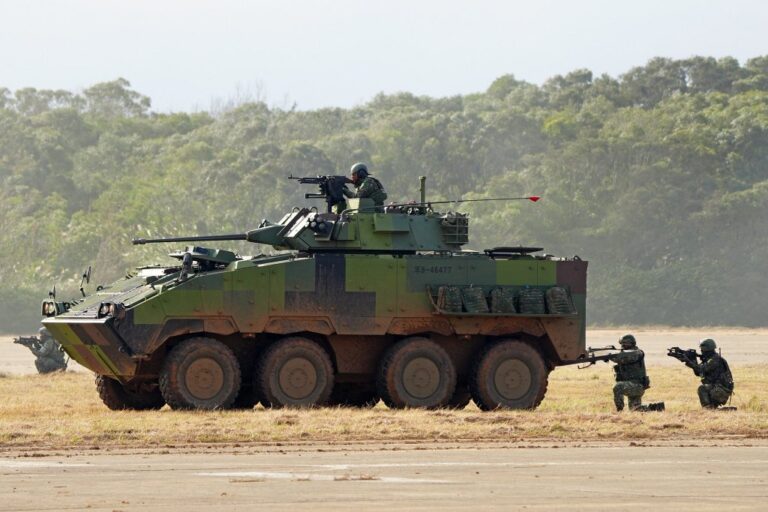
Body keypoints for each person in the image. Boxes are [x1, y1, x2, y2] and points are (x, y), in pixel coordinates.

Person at [687, 338, 734, 408]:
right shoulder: (709, 359)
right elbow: (698, 373)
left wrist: (689, 362)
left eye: (702, 350)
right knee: (704, 387)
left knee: (702, 388)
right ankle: (712, 407)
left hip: (722, 390)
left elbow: (701, 369)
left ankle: (708, 408)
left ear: (707, 350)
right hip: (717, 388)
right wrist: (693, 361)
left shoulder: (715, 360)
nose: (701, 352)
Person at [611, 334, 650, 411]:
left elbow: (623, 359)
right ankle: (657, 408)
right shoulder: (624, 354)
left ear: (632, 343)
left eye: (625, 343)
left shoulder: (637, 353)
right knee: (635, 410)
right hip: (631, 385)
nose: (623, 345)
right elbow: (621, 358)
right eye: (622, 343)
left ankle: (619, 410)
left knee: (618, 387)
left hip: (637, 386)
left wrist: (609, 356)